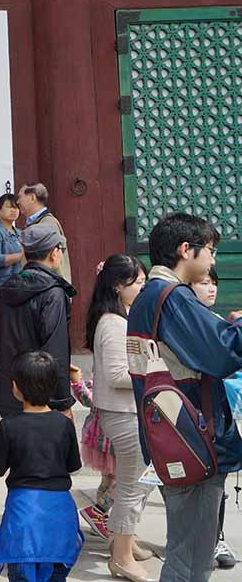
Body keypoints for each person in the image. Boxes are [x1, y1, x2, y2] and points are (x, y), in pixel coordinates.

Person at [127, 212, 242, 582]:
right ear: (185, 250)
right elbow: (223, 353)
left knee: (189, 552)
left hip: (170, 439)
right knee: (190, 557)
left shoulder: (149, 297)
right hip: (193, 440)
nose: (212, 260)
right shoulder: (173, 297)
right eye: (209, 251)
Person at [80, 254, 154, 580]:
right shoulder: (113, 323)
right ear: (117, 286)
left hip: (127, 413)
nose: (143, 287)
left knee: (134, 484)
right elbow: (116, 376)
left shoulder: (121, 317)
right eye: (137, 282)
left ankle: (127, 542)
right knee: (131, 487)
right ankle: (121, 557)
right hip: (122, 415)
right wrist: (157, 368)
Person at [0, 351, 83, 582]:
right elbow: (75, 467)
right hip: (60, 514)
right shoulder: (64, 424)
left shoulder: (8, 425)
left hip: (24, 515)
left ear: (16, 388)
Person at [0, 223, 77, 419]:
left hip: (10, 390)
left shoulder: (6, 289)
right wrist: (62, 401)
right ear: (54, 253)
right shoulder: (53, 293)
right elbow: (56, 351)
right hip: (40, 398)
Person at [191, 268, 238, 571]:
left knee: (216, 481)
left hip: (217, 414)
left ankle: (216, 537)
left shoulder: (220, 323)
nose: (211, 289)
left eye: (213, 284)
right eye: (203, 283)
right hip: (192, 415)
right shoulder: (186, 322)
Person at [68, 363, 117, 542]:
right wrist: (77, 382)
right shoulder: (110, 375)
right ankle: (98, 512)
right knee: (123, 481)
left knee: (109, 479)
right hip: (110, 438)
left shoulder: (102, 372)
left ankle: (100, 521)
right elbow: (93, 402)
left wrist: (78, 383)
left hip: (101, 437)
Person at [17, 183, 71, 284]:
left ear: (32, 197)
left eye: (20, 197)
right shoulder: (40, 223)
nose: (18, 201)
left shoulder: (48, 223)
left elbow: (53, 263)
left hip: (48, 289)